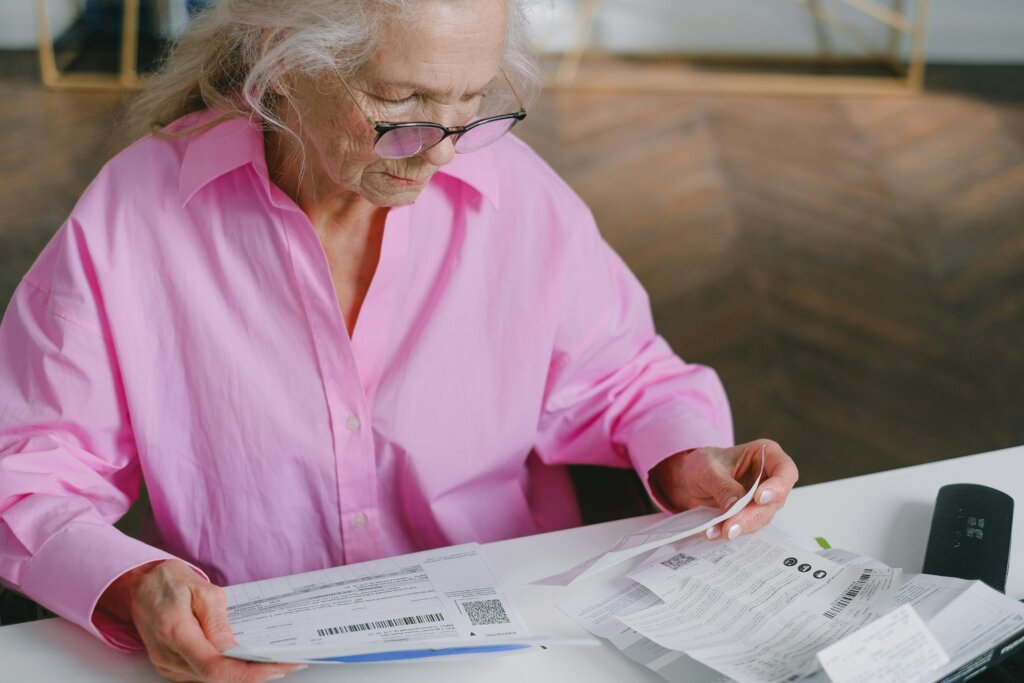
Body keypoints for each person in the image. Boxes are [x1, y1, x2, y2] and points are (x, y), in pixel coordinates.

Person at [0, 1, 799, 681]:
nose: (444, 151)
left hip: (502, 641)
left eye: (471, 102)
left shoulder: (514, 195)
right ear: (280, 64)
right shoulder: (136, 215)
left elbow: (624, 378)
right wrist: (133, 582)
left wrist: (692, 458)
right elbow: (31, 470)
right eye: (404, 101)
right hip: (260, 654)